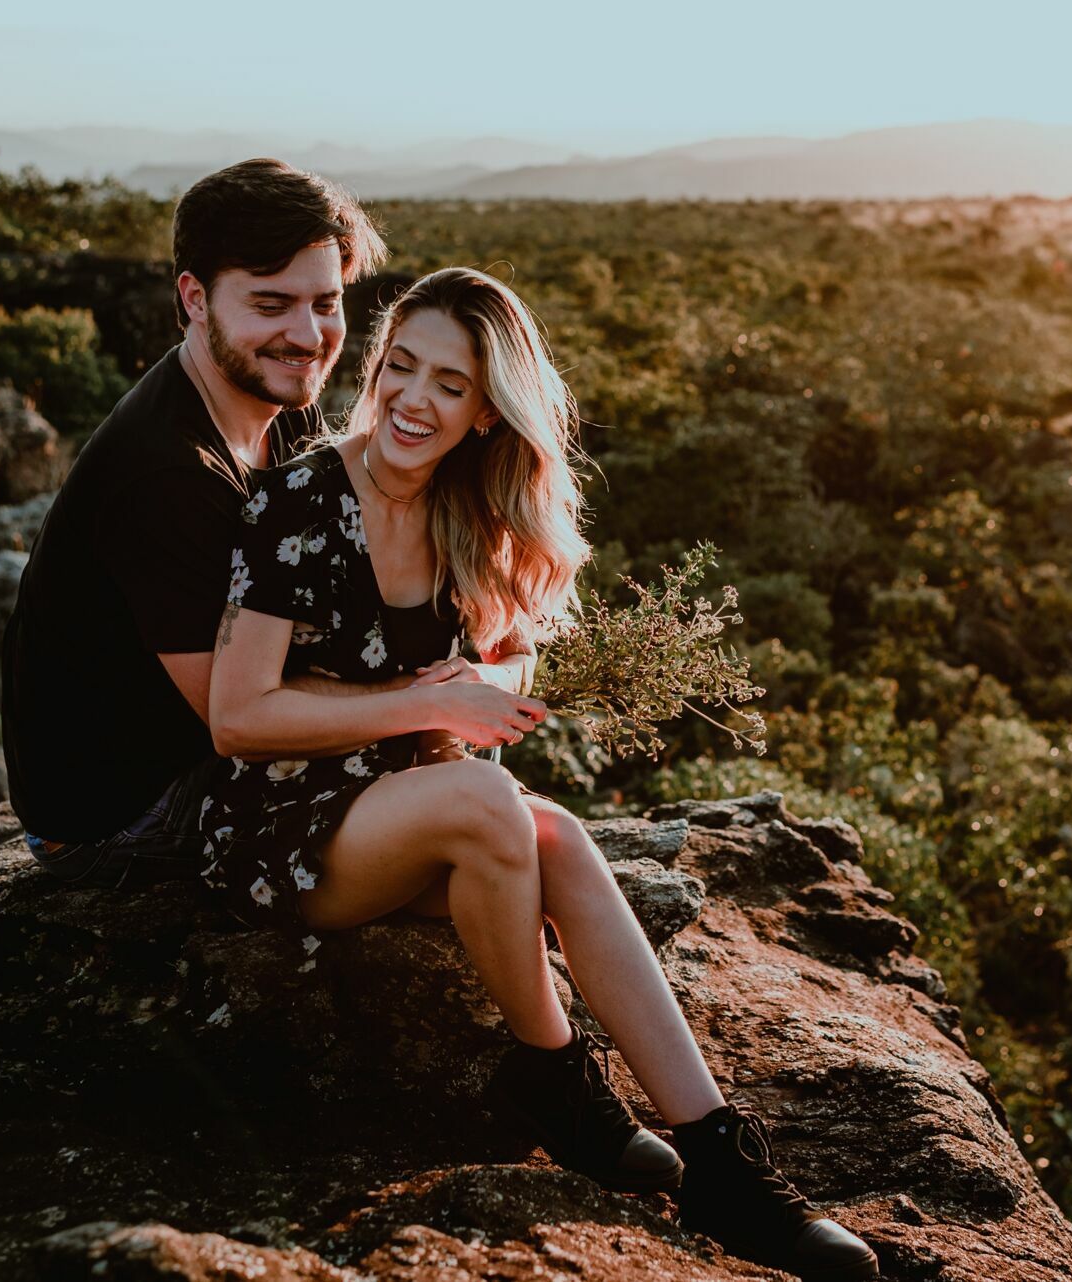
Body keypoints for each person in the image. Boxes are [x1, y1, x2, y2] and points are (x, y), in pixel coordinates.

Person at [201, 267, 881, 1282]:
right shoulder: (297, 500)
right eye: (401, 368)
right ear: (377, 369)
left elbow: (520, 657)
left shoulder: (465, 509)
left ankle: (725, 1163)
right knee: (492, 801)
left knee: (554, 834)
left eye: (450, 384)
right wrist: (435, 706)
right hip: (285, 829)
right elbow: (237, 717)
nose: (412, 400)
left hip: (414, 808)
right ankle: (554, 1071)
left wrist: (484, 676)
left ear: (485, 413)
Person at [0, 159, 391, 887]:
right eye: (271, 305)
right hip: (116, 819)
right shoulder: (166, 472)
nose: (307, 336)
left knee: (478, 809)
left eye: (326, 303)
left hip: (199, 755)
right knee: (448, 811)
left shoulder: (280, 399)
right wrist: (425, 701)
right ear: (195, 298)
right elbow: (242, 714)